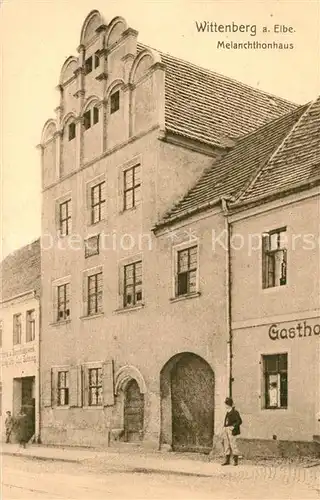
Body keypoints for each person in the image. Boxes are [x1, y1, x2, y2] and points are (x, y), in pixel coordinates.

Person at [222, 397, 242, 466]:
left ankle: (235, 461)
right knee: (226, 444)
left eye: (226, 404)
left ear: (228, 404)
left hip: (231, 430)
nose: (225, 405)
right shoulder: (227, 412)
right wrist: (224, 427)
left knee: (233, 445)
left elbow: (239, 421)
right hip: (226, 429)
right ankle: (227, 460)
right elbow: (226, 421)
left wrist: (233, 427)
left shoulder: (235, 412)